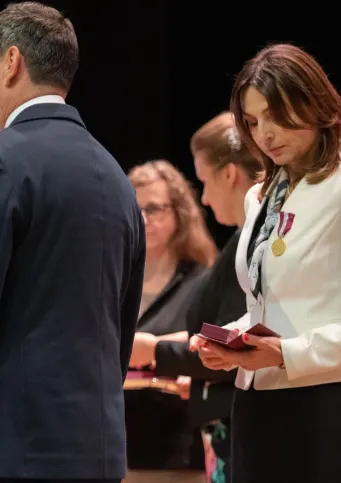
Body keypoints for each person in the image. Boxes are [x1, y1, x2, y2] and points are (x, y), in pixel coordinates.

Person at [0, 2, 146, 483]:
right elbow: (120, 331)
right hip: (96, 454)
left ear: (11, 63)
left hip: (6, 453)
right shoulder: (116, 176)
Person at [191, 43, 341, 483]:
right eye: (253, 123)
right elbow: (269, 305)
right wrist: (234, 340)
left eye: (276, 115)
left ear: (315, 103)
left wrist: (287, 353)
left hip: (326, 411)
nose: (265, 134)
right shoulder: (258, 196)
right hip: (254, 408)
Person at [128, 112, 263, 483]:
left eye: (153, 208)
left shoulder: (243, 249)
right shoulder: (248, 240)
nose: (203, 197)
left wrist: (155, 350)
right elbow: (231, 334)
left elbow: (243, 340)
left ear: (230, 174)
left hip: (186, 449)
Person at [121, 160, 216, 483]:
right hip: (111, 449)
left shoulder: (204, 281)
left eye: (154, 208)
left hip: (177, 452)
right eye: (135, 209)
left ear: (180, 213)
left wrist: (154, 348)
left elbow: (215, 348)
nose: (143, 219)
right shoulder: (112, 280)